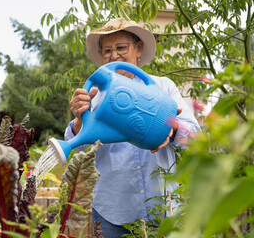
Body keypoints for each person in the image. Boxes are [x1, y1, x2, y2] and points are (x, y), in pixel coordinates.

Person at [64, 18, 201, 237]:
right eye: (107, 50)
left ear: (138, 48)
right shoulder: (92, 97)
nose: (113, 55)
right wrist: (80, 120)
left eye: (121, 47)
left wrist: (172, 130)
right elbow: (79, 151)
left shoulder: (163, 88)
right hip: (112, 210)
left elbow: (195, 136)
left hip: (164, 209)